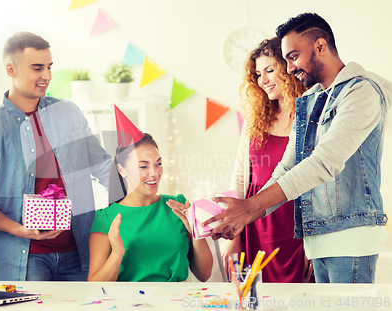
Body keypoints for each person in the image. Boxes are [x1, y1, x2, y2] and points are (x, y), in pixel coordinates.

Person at [205, 13, 392, 283]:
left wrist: (249, 207)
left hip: (352, 236)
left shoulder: (361, 92)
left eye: (293, 56)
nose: (289, 68)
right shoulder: (312, 100)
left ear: (320, 46)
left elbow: (323, 162)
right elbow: (287, 167)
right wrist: (245, 213)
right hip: (320, 237)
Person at [0, 32, 111, 281]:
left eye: (49, 67)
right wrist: (21, 230)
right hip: (23, 259)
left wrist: (147, 191)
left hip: (79, 251)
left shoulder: (69, 113)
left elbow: (103, 166)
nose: (47, 76)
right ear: (11, 69)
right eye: (37, 68)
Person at [88, 106, 212, 282]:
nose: (154, 173)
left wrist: (196, 231)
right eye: (143, 166)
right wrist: (116, 254)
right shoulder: (104, 218)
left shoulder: (179, 206)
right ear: (121, 170)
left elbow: (204, 274)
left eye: (158, 163)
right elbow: (94, 286)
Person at [223, 37, 310, 283]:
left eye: (270, 70)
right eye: (258, 73)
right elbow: (240, 178)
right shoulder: (254, 121)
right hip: (256, 224)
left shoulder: (310, 117)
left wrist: (315, 243)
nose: (263, 81)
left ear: (288, 69)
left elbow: (319, 181)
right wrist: (235, 237)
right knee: (258, 301)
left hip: (296, 226)